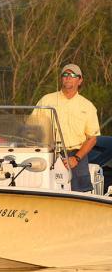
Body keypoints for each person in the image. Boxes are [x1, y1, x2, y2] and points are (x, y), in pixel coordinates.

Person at [36, 64, 100, 192]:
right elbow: (32, 128)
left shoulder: (87, 106)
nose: (68, 78)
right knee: (43, 191)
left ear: (80, 80)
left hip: (76, 155)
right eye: (65, 75)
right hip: (49, 154)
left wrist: (76, 159)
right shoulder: (46, 100)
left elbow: (92, 138)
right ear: (61, 79)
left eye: (72, 75)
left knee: (81, 197)